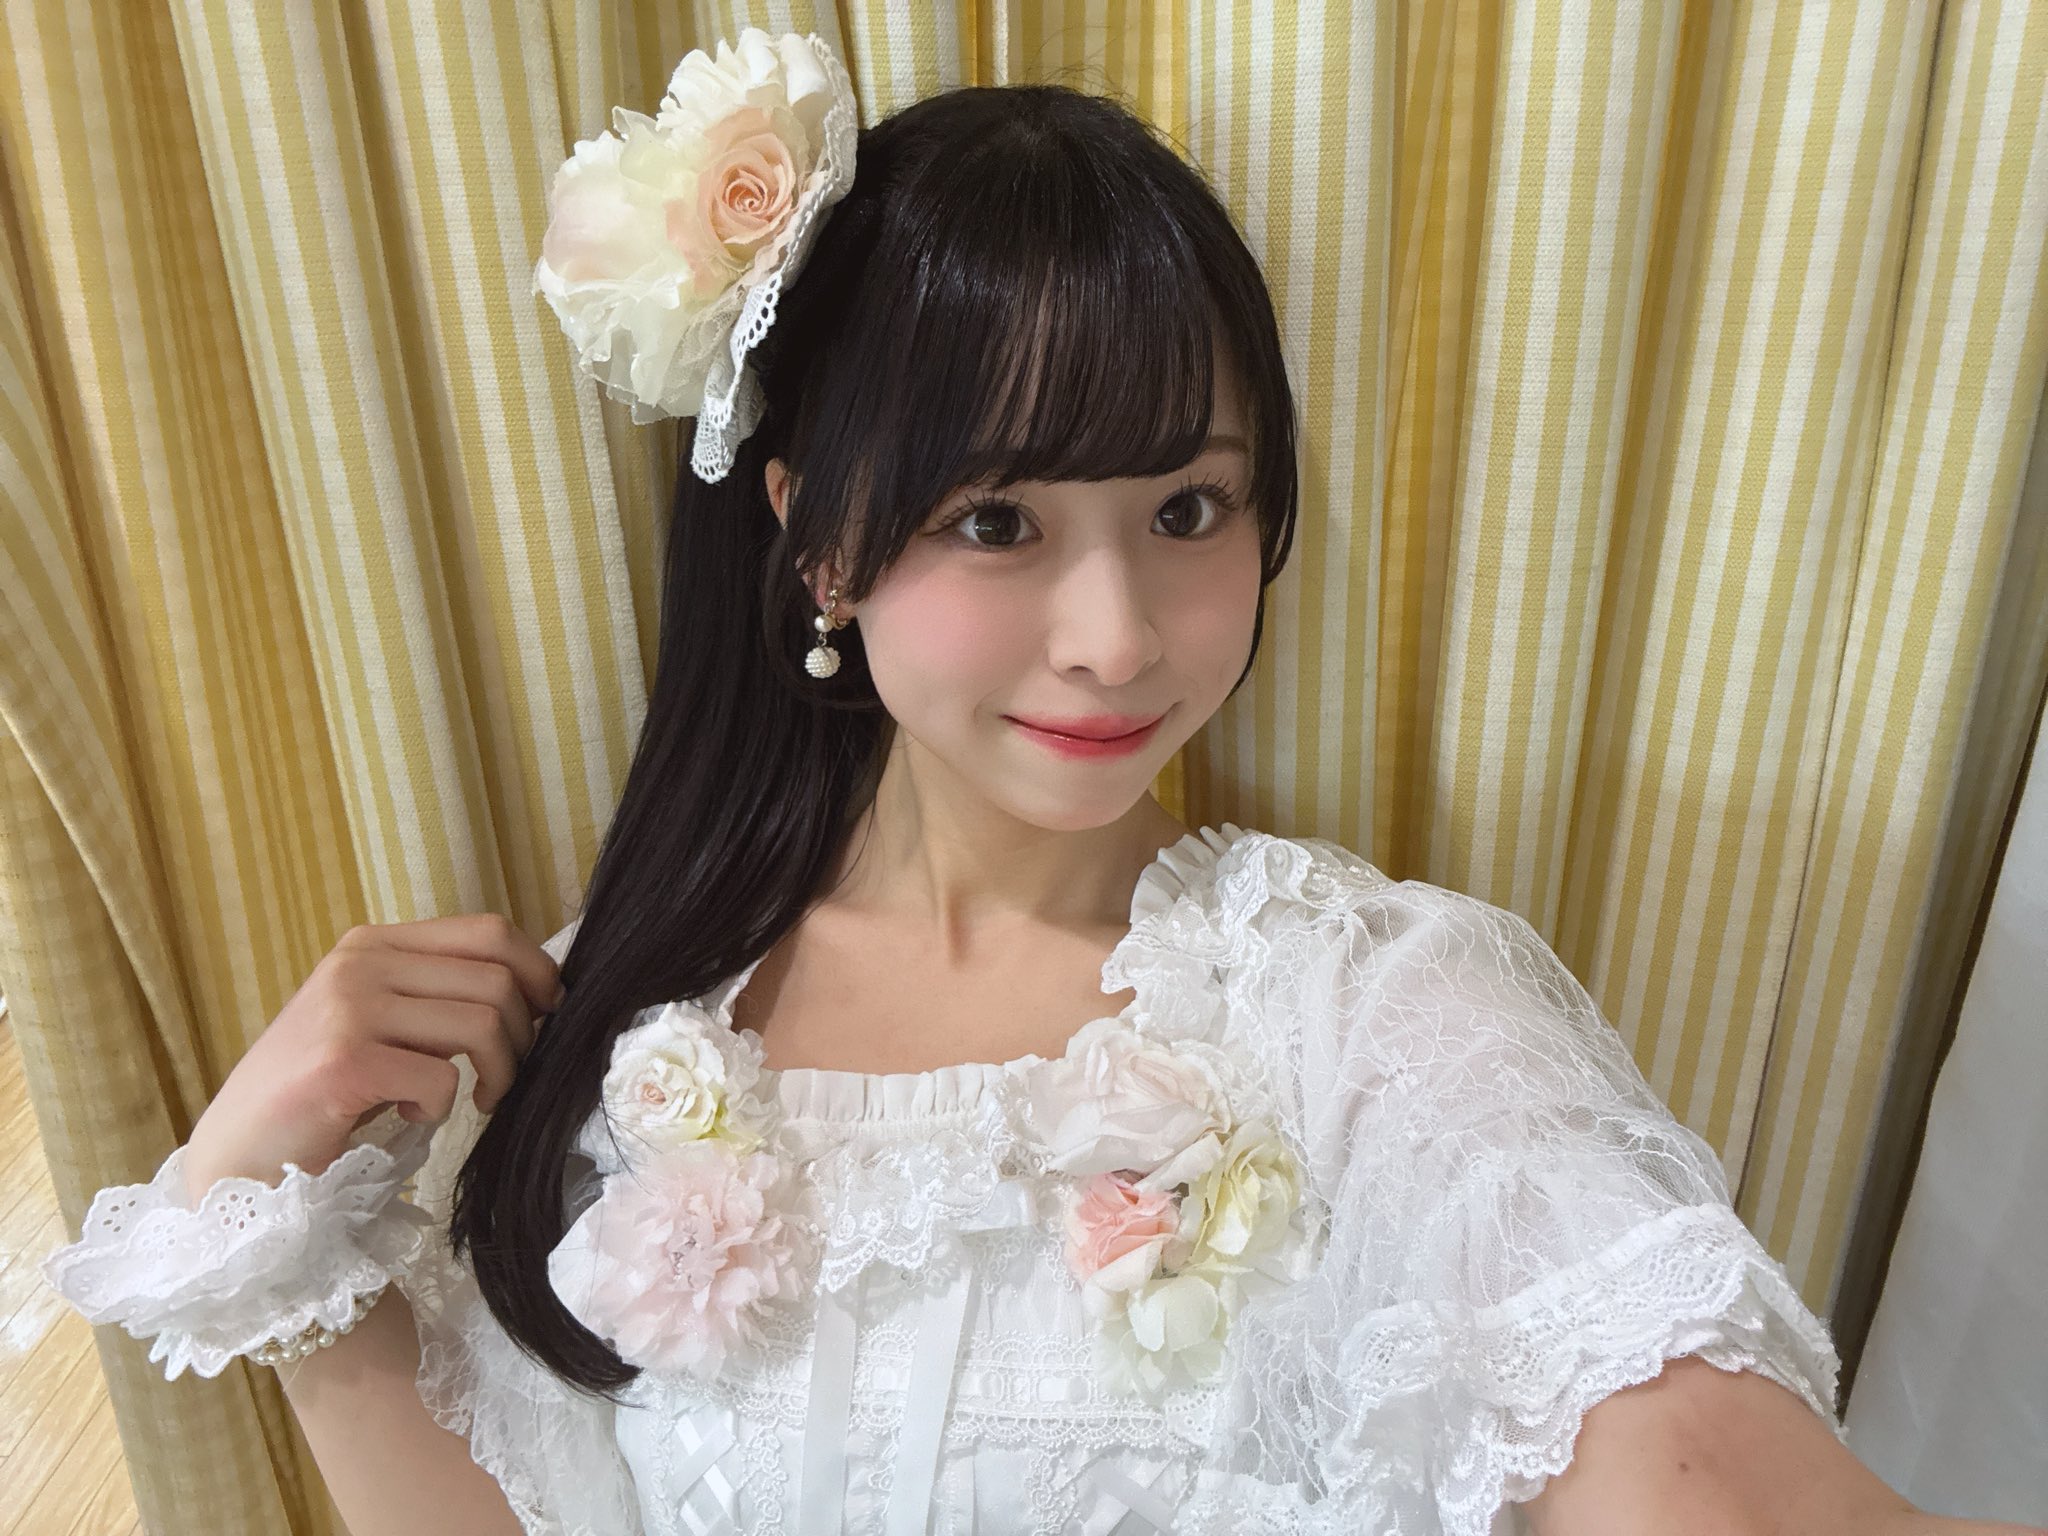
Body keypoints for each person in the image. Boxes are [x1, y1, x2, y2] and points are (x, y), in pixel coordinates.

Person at [39, 29, 2032, 1536]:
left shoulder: (1366, 1006)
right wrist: (277, 1243)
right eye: (998, 521)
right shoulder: (630, 1039)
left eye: (1189, 507)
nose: (1116, 634)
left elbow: (1688, 1455)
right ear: (815, 537)